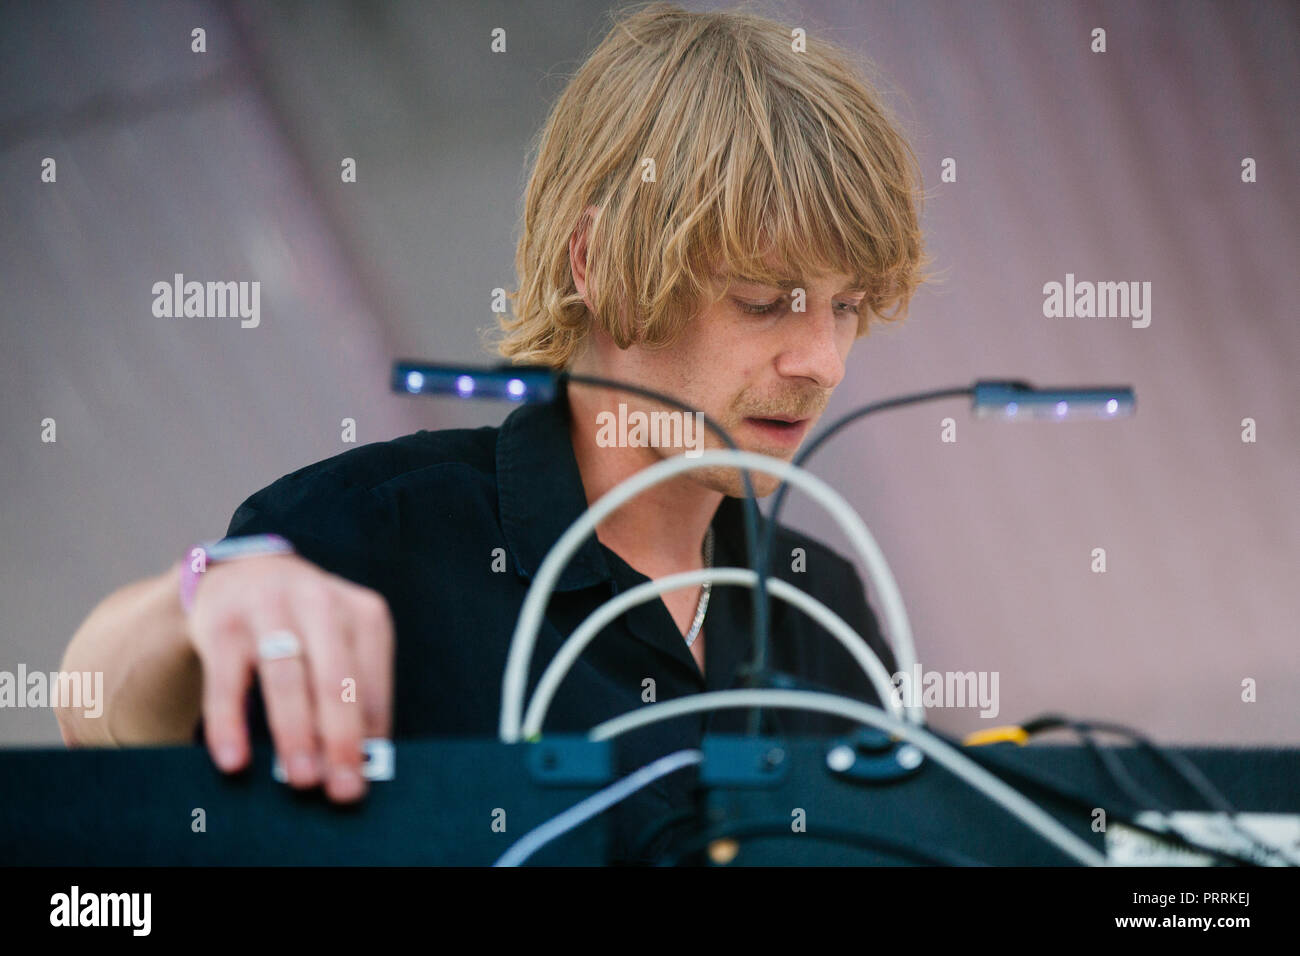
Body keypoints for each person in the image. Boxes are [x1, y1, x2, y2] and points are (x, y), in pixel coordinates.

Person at [54, 2, 928, 862]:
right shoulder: (372, 535)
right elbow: (95, 712)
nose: (823, 361)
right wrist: (202, 596)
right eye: (765, 302)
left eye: (847, 306)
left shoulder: (828, 608)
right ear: (600, 265)